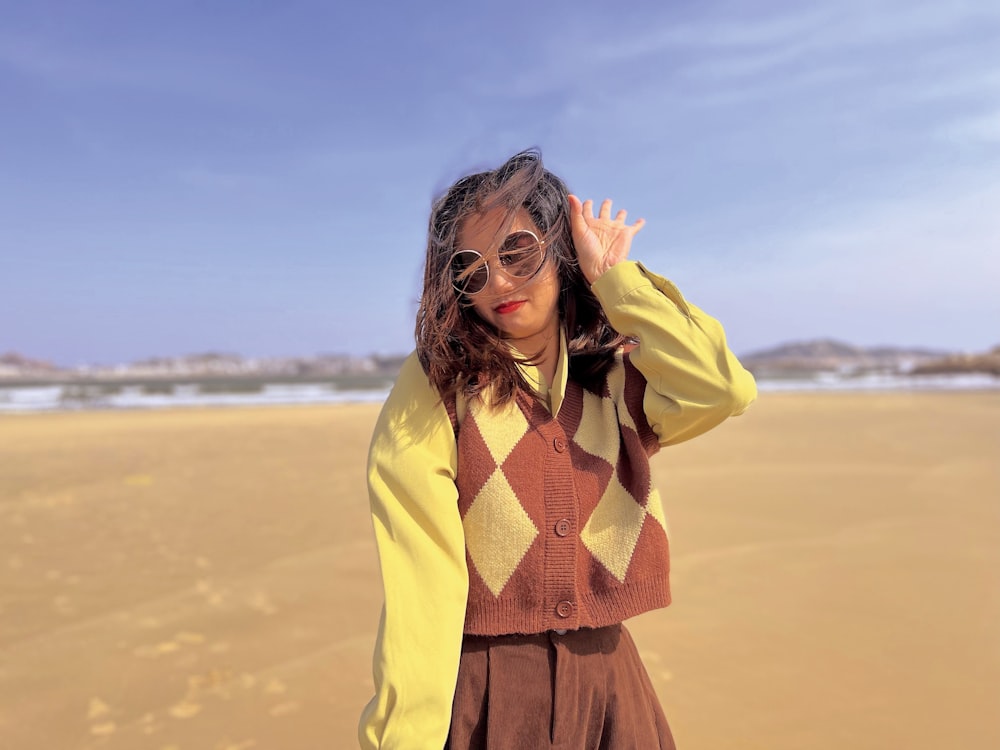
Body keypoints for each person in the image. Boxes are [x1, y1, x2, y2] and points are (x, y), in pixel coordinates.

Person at [358, 150, 756, 749]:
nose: (496, 281)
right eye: (470, 269)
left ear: (560, 248)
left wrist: (615, 282)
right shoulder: (439, 382)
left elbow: (721, 388)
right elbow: (421, 577)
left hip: (610, 678)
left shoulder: (618, 379)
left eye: (516, 252)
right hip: (487, 691)